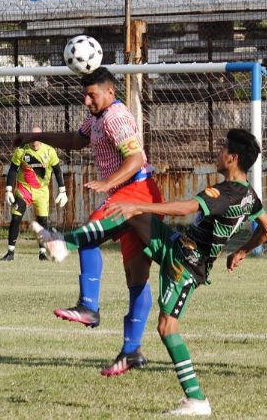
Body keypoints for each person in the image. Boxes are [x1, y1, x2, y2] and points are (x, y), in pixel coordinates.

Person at [34, 128, 267, 415]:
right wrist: (242, 251)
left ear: (233, 158)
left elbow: (186, 208)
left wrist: (139, 203)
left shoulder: (225, 193)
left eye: (223, 148)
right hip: (179, 246)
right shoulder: (249, 195)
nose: (218, 152)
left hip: (186, 266)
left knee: (167, 327)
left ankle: (197, 399)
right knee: (131, 215)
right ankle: (64, 244)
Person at [12, 67, 163, 376]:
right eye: (85, 95)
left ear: (110, 92)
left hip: (137, 192)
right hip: (130, 192)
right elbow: (75, 140)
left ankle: (89, 306)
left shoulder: (115, 117)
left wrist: (108, 183)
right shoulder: (97, 116)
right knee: (136, 276)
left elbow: (136, 159)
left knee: (91, 231)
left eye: (92, 95)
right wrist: (36, 137)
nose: (86, 100)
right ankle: (132, 350)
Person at [0, 126, 68, 262]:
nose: (34, 140)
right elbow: (13, 170)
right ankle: (10, 252)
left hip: (41, 191)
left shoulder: (50, 151)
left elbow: (57, 170)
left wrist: (62, 190)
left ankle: (42, 253)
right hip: (24, 189)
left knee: (42, 221)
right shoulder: (21, 150)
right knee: (16, 217)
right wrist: (8, 189)